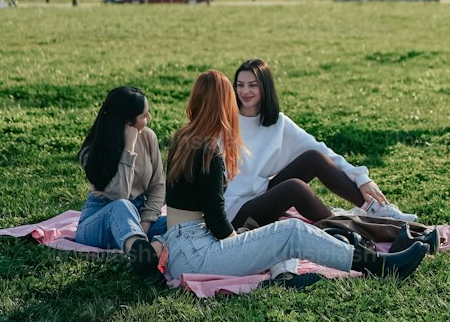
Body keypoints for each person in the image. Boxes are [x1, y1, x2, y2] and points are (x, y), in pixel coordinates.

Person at [164, 70, 427, 283]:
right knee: (292, 232)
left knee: (282, 233)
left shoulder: (183, 139)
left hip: (182, 246)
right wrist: (241, 244)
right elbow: (215, 216)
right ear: (224, 104)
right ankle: (381, 266)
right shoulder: (210, 151)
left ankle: (364, 245)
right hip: (196, 253)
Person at [228, 58, 418, 231]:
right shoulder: (226, 123)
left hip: (261, 195)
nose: (245, 91)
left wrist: (361, 178)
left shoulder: (278, 123)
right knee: (295, 188)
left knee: (314, 158)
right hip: (234, 211)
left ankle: (375, 209)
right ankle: (342, 224)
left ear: (265, 88)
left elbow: (322, 151)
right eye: (240, 85)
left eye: (252, 85)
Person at [75, 86, 166, 286]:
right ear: (128, 121)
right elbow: (120, 195)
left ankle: (147, 250)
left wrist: (146, 221)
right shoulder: (92, 151)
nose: (149, 118)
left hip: (139, 216)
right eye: (143, 115)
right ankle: (145, 264)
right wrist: (128, 149)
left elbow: (159, 185)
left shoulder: (149, 137)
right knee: (122, 206)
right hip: (101, 218)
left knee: (179, 222)